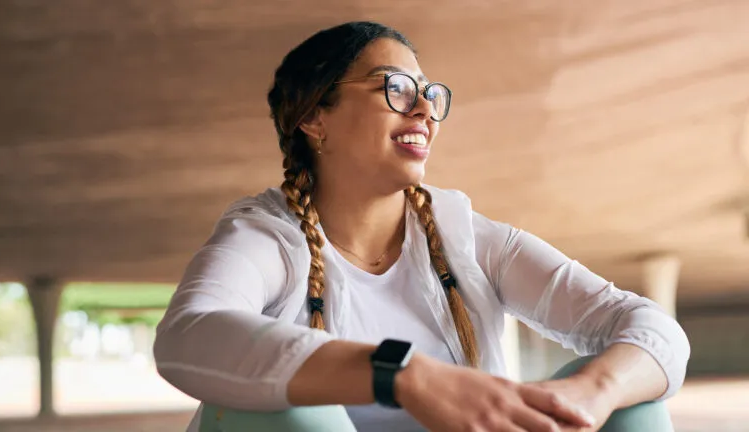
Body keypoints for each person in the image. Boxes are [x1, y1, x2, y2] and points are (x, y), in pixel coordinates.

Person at [153, 21, 690, 432]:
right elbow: (187, 335)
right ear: (315, 117)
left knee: (632, 402)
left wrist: (589, 396)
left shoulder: (469, 239)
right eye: (396, 89)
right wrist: (403, 375)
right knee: (286, 414)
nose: (424, 113)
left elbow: (651, 328)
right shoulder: (268, 236)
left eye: (429, 96)